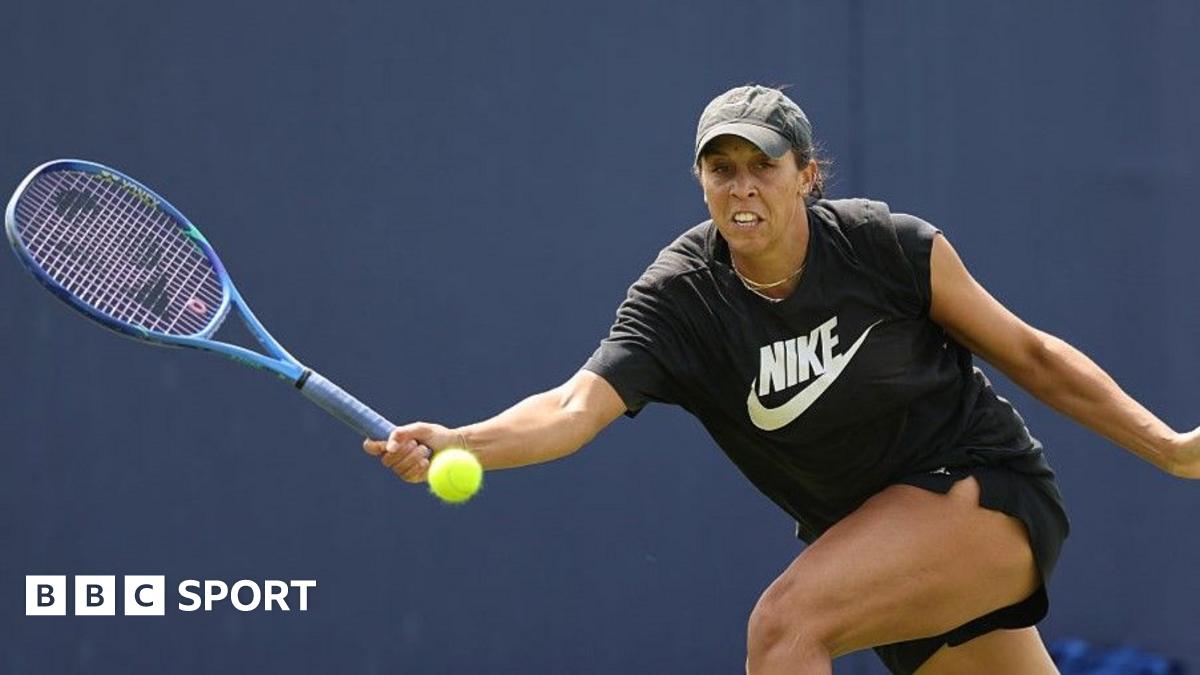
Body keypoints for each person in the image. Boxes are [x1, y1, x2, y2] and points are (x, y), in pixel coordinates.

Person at [363, 85, 1200, 674]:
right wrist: (462, 440)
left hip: (983, 492)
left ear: (805, 174)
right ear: (701, 181)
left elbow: (1031, 353)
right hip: (878, 539)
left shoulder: (885, 246)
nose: (742, 187)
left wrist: (1166, 447)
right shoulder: (681, 299)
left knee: (785, 625)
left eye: (762, 165)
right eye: (720, 168)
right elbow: (572, 407)